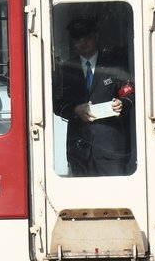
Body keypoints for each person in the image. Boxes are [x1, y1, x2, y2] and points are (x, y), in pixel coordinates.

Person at [54, 16, 135, 176]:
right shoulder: (67, 69)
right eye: (77, 38)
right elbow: (57, 103)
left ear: (96, 36)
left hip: (110, 147)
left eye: (87, 37)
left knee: (114, 197)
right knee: (82, 199)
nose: (83, 42)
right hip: (78, 148)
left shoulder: (114, 64)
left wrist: (122, 103)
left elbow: (129, 92)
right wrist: (76, 110)